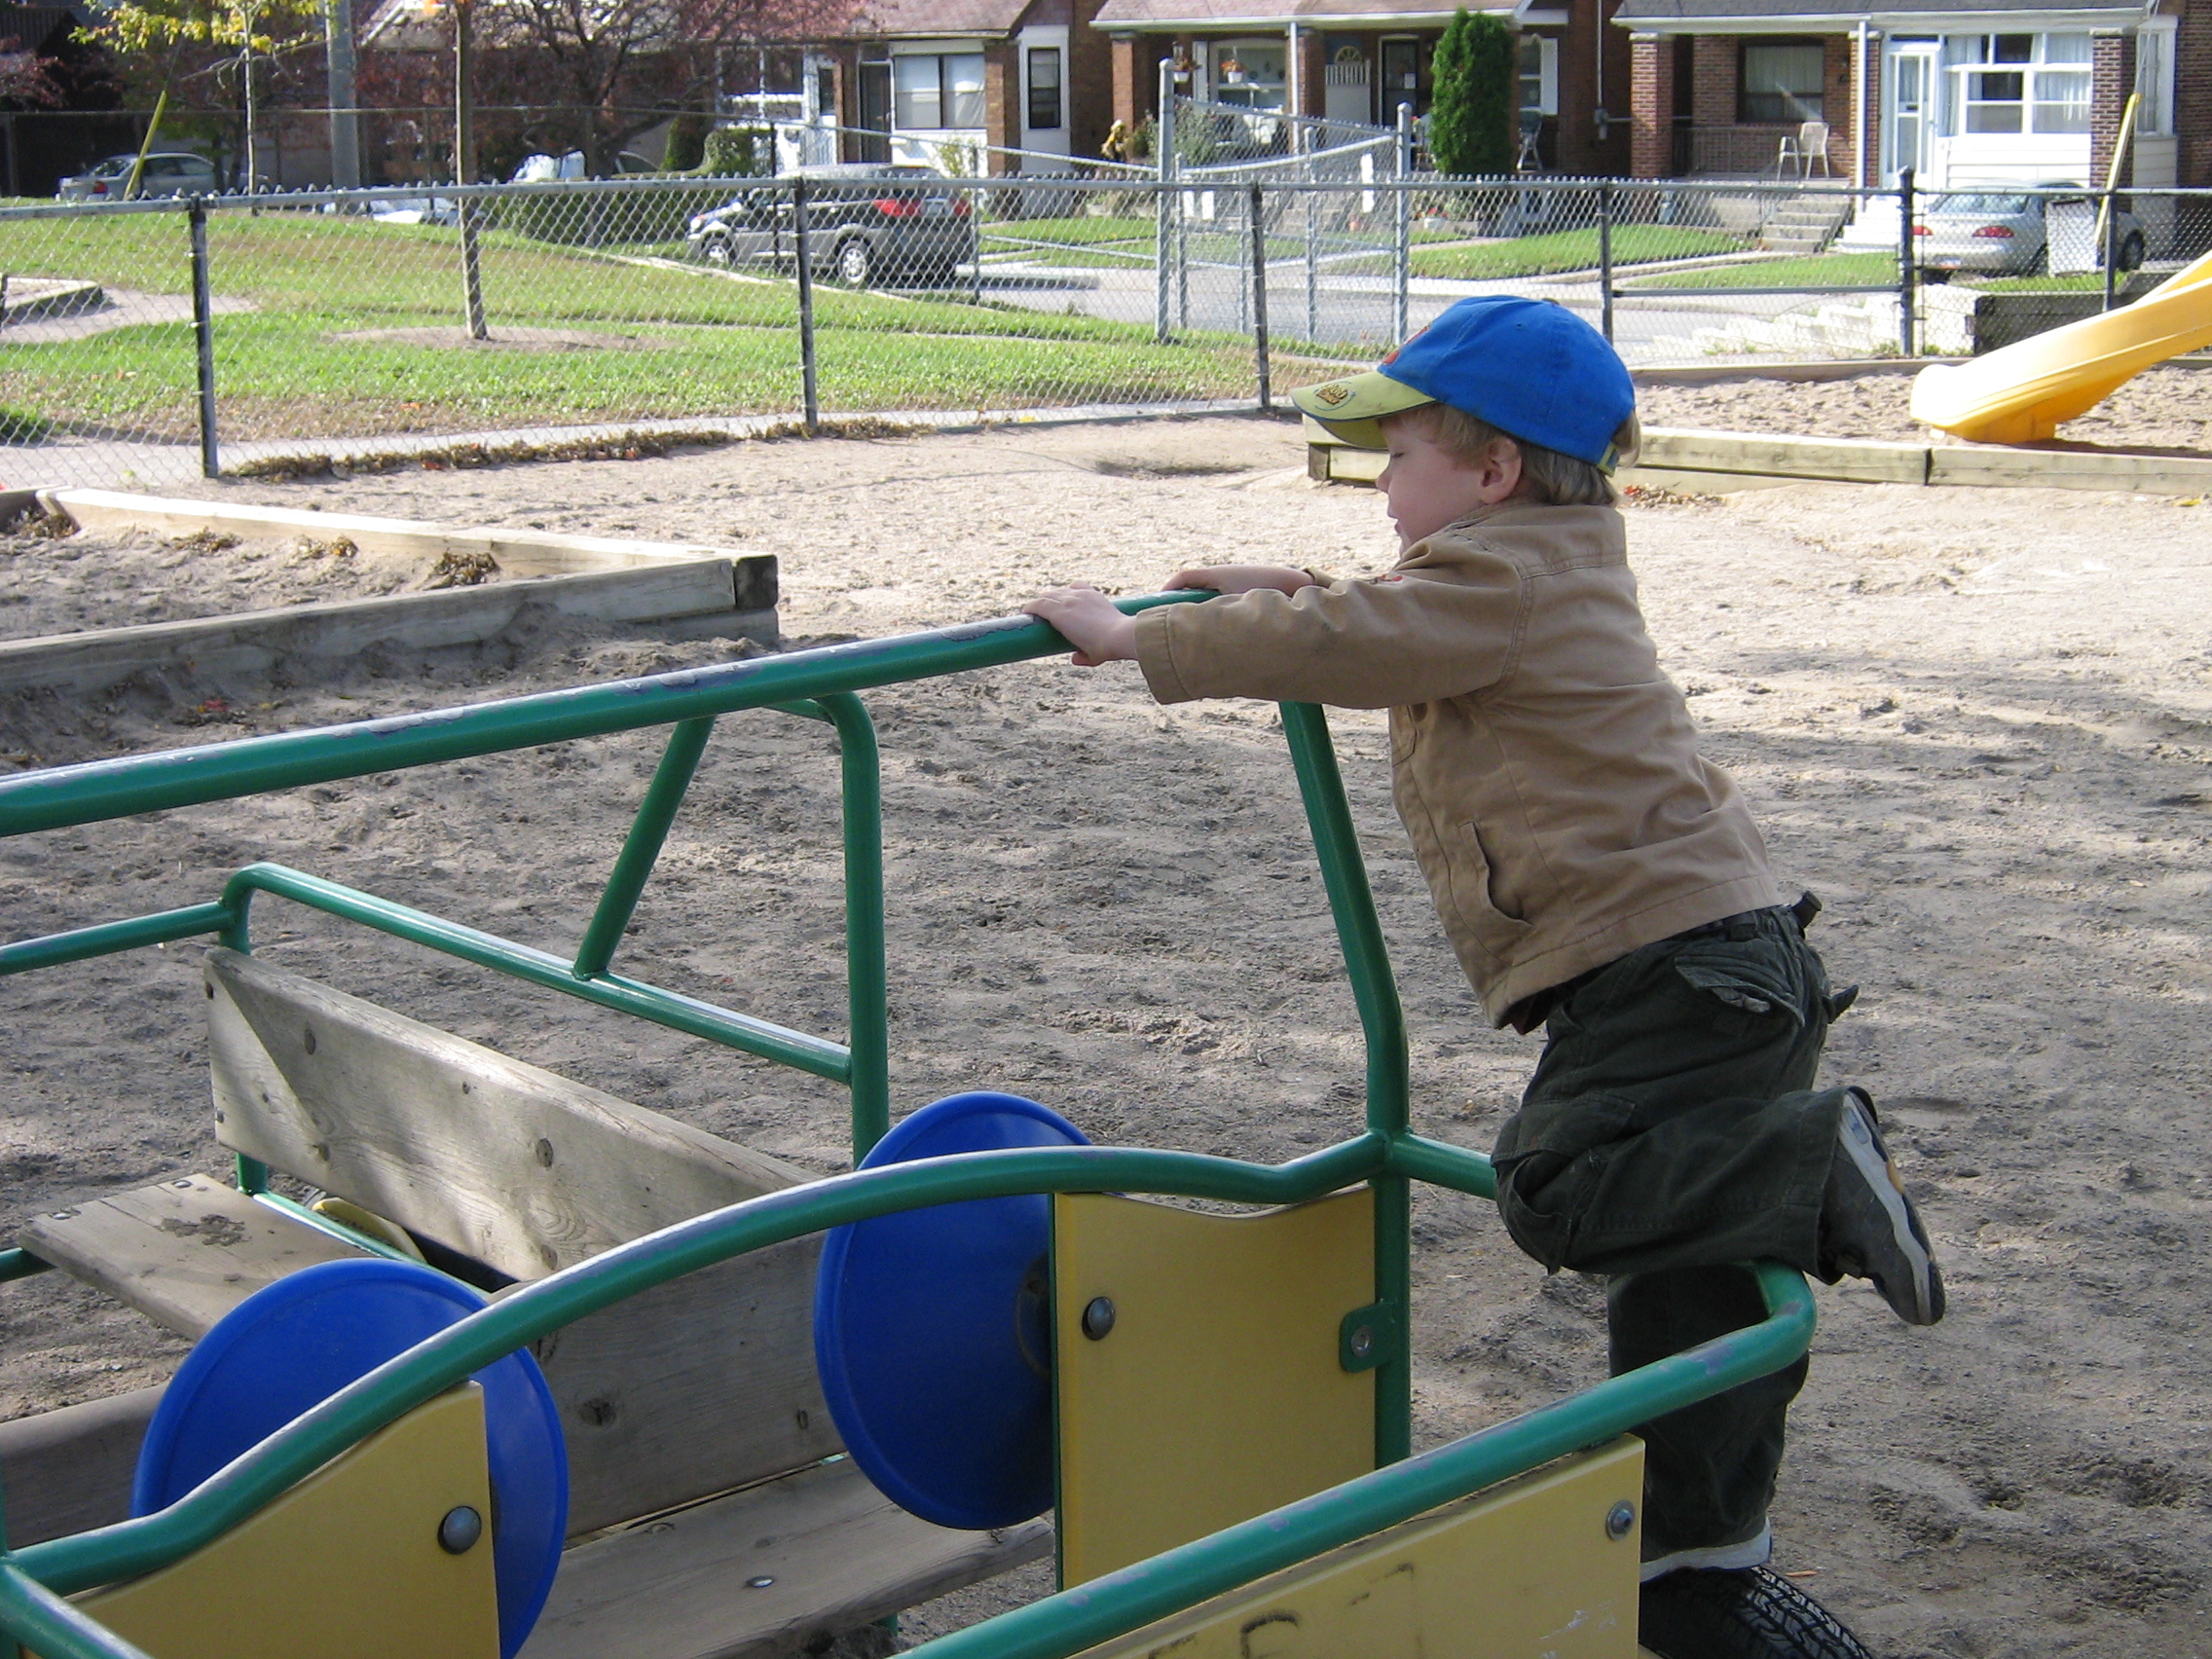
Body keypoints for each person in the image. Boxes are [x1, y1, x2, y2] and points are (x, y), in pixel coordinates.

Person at [1024, 294, 1944, 1658]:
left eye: (1399, 456)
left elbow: (1352, 645)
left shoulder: (1496, 586)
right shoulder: (1534, 571)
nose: (1381, 482)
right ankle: (1697, 1553)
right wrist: (1301, 588)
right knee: (1692, 1273)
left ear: (1495, 471)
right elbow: (1385, 624)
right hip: (1731, 961)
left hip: (1666, 972)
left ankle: (1814, 1168)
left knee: (1555, 1184)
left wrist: (1133, 637)